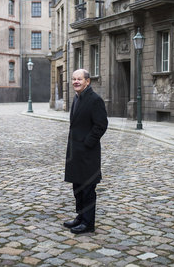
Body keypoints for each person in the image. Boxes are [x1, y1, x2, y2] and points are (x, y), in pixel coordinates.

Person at [63, 69, 108, 234]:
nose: (76, 82)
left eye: (79, 79)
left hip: (88, 153)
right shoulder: (76, 98)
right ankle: (80, 217)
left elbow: (101, 125)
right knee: (77, 187)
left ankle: (88, 223)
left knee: (88, 189)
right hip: (75, 153)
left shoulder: (95, 100)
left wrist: (87, 143)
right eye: (74, 79)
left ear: (87, 81)